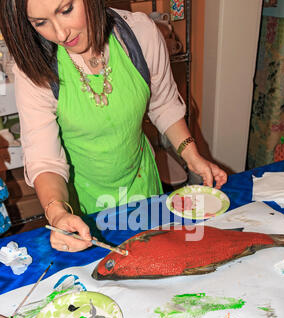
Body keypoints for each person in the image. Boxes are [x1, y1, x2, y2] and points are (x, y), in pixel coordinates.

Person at [0, 0, 227, 252]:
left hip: (142, 187)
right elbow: (45, 159)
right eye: (40, 23)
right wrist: (56, 214)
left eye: (66, 10)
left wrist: (191, 154)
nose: (61, 33)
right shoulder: (33, 67)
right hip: (82, 204)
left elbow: (163, 104)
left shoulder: (139, 34)